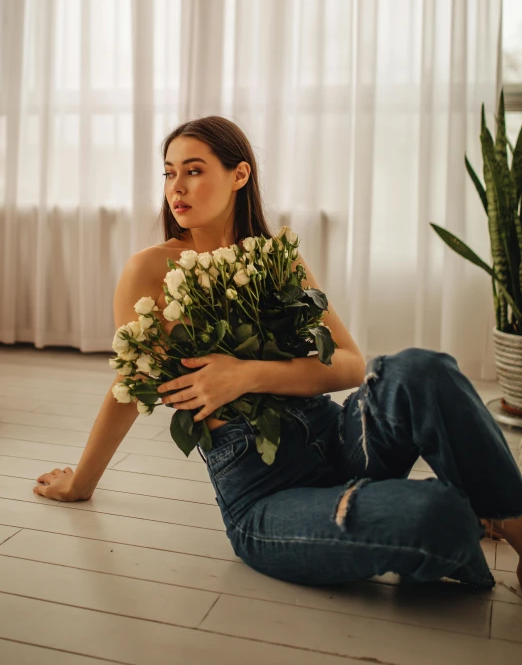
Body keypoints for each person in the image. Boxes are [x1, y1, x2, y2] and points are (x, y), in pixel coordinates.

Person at [33, 115, 522, 589]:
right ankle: (461, 506)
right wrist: (81, 483)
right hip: (265, 494)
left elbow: (350, 364)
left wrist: (245, 374)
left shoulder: (276, 257)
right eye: (169, 173)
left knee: (421, 368)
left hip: (338, 440)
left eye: (194, 170)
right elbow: (130, 386)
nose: (176, 187)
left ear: (239, 174)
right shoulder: (149, 271)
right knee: (436, 515)